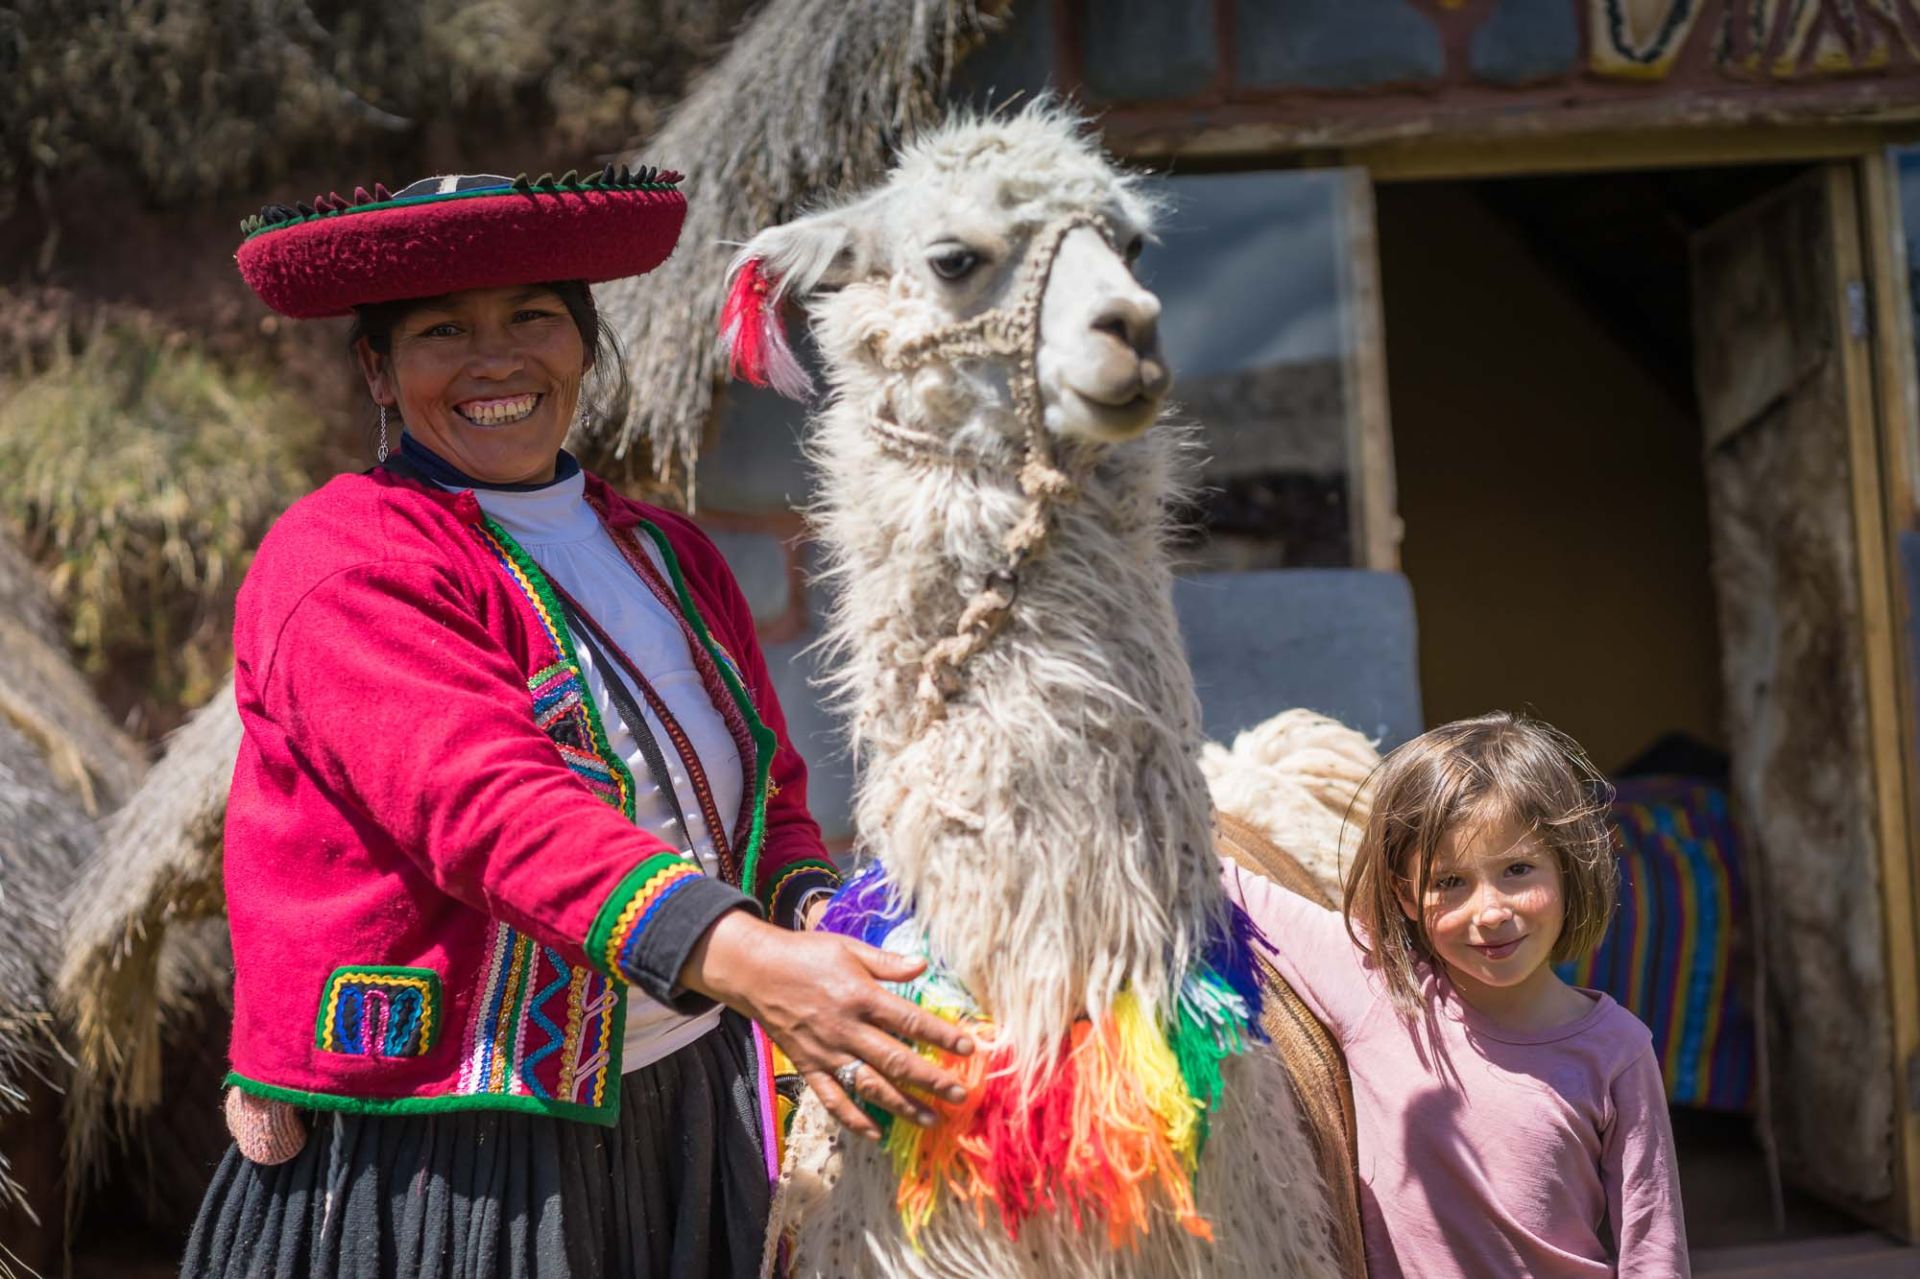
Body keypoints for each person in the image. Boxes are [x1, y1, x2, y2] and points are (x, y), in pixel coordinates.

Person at [185, 168, 971, 1279]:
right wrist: (755, 962)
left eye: (532, 318)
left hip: (687, 1094)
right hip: (454, 1148)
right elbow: (489, 810)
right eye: (442, 330)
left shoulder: (667, 556)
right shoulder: (348, 558)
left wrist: (833, 934)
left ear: (585, 344)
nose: (494, 359)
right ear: (376, 367)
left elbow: (769, 798)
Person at [1223, 711, 1689, 1278]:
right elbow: (1228, 880)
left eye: (1518, 869)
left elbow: (1653, 1248)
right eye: (1450, 883)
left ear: (1569, 869)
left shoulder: (1618, 1051)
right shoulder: (1378, 991)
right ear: (1406, 897)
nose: (1490, 911)